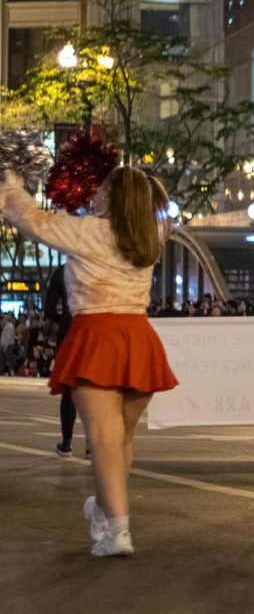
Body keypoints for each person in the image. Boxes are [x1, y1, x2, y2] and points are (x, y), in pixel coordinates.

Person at [0, 166, 176, 557]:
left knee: (103, 438)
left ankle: (119, 530)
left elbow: (35, 221)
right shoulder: (150, 236)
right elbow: (159, 210)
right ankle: (103, 510)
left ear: (112, 197)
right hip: (138, 336)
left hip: (97, 334)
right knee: (122, 438)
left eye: (100, 188)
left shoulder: (89, 231)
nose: (93, 194)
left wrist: (12, 187)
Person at [44, 264, 81, 457]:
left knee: (69, 387)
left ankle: (67, 442)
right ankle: (93, 444)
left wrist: (64, 319)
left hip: (68, 329)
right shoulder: (94, 266)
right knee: (97, 386)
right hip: (94, 326)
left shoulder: (61, 271)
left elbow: (48, 309)